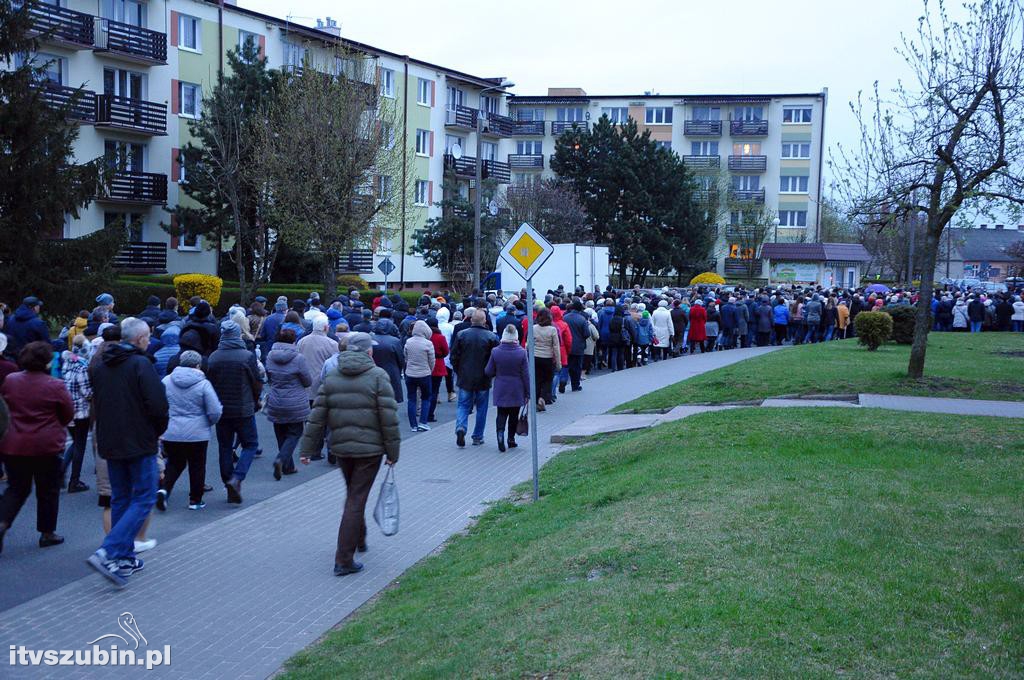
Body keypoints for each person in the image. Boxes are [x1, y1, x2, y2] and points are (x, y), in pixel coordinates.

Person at [298, 332, 400, 576]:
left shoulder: (332, 377)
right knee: (356, 497)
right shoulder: (378, 377)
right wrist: (393, 452)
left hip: (342, 447)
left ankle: (359, 538)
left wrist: (307, 450)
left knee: (355, 494)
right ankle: (344, 559)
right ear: (368, 352)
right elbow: (389, 418)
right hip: (370, 450)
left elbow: (317, 417)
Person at [86, 318, 168, 587]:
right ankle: (110, 550)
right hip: (138, 440)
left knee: (121, 497)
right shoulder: (141, 364)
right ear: (141, 338)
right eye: (147, 336)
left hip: (109, 438)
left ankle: (123, 556)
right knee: (144, 497)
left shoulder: (100, 365)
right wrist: (156, 431)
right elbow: (157, 404)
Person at [0, 342, 73, 555]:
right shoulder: (55, 385)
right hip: (46, 445)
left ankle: (2, 521)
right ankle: (47, 532)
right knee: (48, 490)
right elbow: (67, 414)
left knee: (16, 488)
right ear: (47, 362)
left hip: (14, 443)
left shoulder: (11, 381)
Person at [206, 320, 262, 504]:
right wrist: (257, 400)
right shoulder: (246, 356)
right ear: (238, 335)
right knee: (250, 444)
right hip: (243, 407)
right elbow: (256, 381)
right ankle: (237, 478)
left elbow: (210, 384)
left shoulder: (214, 357)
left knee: (225, 446)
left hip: (222, 409)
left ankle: (228, 482)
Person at [157, 350, 222, 511]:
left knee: (174, 463)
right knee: (197, 465)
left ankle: (164, 490)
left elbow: (159, 404)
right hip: (197, 432)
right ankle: (195, 500)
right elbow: (215, 410)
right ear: (198, 365)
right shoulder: (203, 383)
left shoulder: (166, 380)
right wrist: (209, 422)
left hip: (172, 431)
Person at [264, 328, 312, 480]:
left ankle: (287, 466)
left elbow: (269, 376)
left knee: (281, 433)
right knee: (295, 433)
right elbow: (307, 381)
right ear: (293, 341)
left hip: (276, 399)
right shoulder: (298, 358)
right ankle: (281, 460)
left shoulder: (270, 356)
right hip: (295, 401)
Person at [449, 310, 499, 446]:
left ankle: (461, 427)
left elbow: (453, 356)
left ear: (471, 320)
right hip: (484, 377)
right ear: (484, 321)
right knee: (482, 408)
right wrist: (492, 373)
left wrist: (458, 371)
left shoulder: (461, 335)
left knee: (463, 405)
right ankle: (477, 436)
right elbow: (496, 358)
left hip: (465, 376)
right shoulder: (491, 337)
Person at [485, 324, 530, 452]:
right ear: (516, 336)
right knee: (514, 415)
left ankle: (500, 435)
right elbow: (526, 374)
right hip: (517, 388)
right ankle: (511, 439)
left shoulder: (495, 351)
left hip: (501, 387)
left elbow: (488, 371)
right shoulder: (521, 352)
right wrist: (528, 392)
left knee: (501, 413)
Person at [61, 336, 93, 493]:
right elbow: (87, 393)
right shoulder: (82, 368)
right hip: (81, 412)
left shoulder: (67, 363)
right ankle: (74, 481)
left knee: (75, 442)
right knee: (80, 444)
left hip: (67, 410)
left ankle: (60, 472)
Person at [403, 320, 435, 432]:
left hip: (410, 374)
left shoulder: (408, 342)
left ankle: (413, 425)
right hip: (424, 374)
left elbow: (406, 357)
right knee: (425, 398)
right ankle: (423, 422)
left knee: (411, 399)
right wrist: (429, 370)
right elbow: (432, 361)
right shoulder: (428, 343)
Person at [532, 307, 561, 410]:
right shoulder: (552, 330)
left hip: (535, 357)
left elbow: (528, 345)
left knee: (536, 379)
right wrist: (558, 363)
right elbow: (556, 347)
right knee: (548, 379)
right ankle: (543, 397)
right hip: (547, 357)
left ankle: (536, 401)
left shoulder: (533, 328)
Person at [426, 318, 449, 423]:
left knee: (425, 391)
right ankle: (430, 414)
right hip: (438, 364)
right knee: (435, 391)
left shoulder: (425, 337)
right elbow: (446, 351)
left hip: (425, 364)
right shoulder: (440, 337)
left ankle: (423, 412)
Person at [563, 302, 590, 391]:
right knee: (577, 366)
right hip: (579, 346)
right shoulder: (582, 319)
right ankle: (575, 384)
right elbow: (587, 333)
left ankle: (563, 381)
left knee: (567, 365)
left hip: (567, 345)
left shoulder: (565, 318)